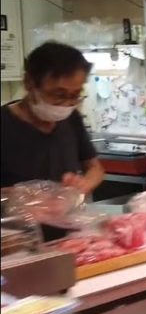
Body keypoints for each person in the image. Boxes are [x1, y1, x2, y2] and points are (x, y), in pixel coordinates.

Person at [1, 42, 106, 239]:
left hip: (67, 237)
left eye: (74, 95)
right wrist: (19, 197)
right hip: (15, 244)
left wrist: (81, 186)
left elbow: (96, 169)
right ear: (29, 83)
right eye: (58, 94)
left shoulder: (71, 119)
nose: (66, 104)